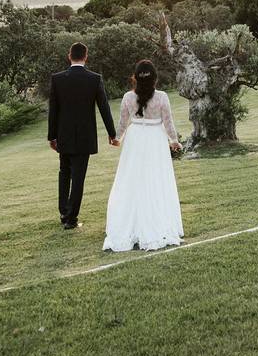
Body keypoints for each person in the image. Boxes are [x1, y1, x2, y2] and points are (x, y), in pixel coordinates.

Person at [103, 59, 184, 251]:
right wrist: (174, 141)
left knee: (132, 180)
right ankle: (156, 222)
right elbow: (168, 122)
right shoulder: (162, 97)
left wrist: (117, 138)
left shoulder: (127, 97)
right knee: (156, 180)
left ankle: (132, 224)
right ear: (155, 78)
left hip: (135, 139)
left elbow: (123, 122)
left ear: (135, 78)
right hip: (155, 139)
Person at [48, 42, 118, 229]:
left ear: (69, 56)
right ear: (86, 57)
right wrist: (112, 134)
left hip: (64, 136)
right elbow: (104, 108)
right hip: (85, 137)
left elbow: (53, 110)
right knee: (78, 177)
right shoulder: (94, 79)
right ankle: (71, 219)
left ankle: (64, 212)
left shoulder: (57, 79)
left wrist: (51, 136)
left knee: (64, 173)